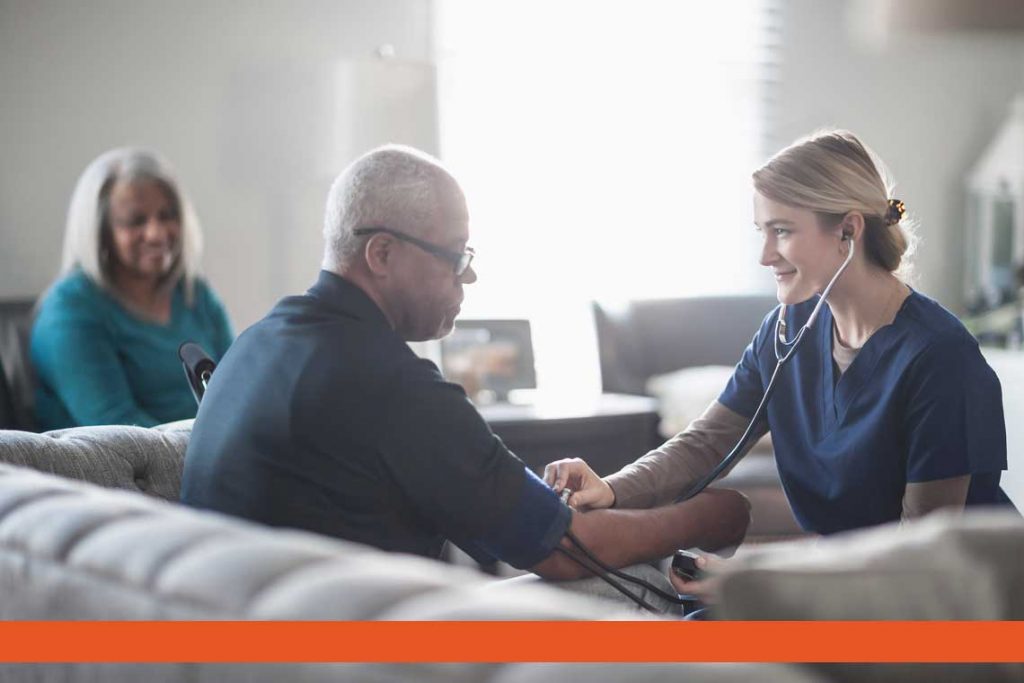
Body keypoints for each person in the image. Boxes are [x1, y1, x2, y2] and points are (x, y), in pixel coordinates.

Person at [180, 145, 749, 591]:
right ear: (381, 253)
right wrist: (709, 516)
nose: (468, 277)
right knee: (639, 590)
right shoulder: (389, 384)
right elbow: (566, 549)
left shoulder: (254, 345)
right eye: (456, 256)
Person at [543, 130, 1015, 596]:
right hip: (852, 586)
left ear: (848, 231)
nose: (766, 255)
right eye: (761, 232)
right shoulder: (788, 329)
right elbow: (705, 445)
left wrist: (756, 577)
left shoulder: (940, 358)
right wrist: (611, 489)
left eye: (782, 231)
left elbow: (918, 555)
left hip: (957, 604)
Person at [31, 148, 233, 430]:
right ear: (100, 232)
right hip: (121, 470)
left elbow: (238, 391)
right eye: (136, 221)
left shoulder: (194, 292)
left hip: (211, 457)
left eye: (167, 216)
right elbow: (119, 431)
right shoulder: (69, 311)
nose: (157, 233)